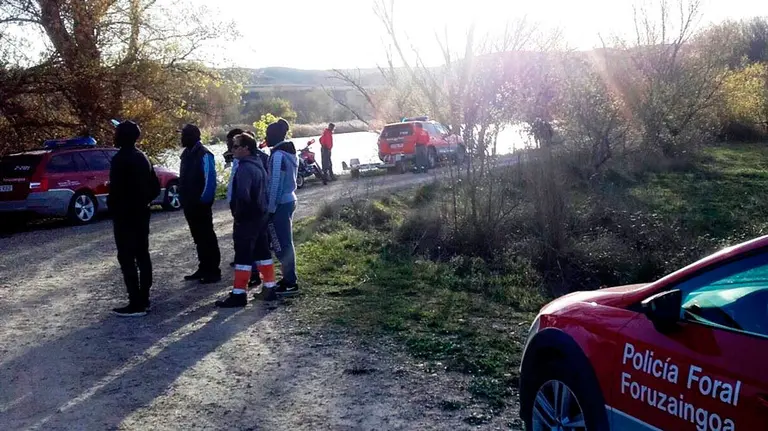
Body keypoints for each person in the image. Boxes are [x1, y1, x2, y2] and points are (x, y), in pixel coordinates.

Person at [216, 133, 277, 307]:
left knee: (242, 255)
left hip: (248, 218)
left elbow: (243, 195)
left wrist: (239, 215)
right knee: (262, 252)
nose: (232, 149)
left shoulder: (244, 168)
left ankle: (239, 293)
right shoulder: (259, 164)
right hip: (260, 216)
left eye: (235, 146)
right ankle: (270, 288)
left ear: (246, 148)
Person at [108, 121, 161, 317]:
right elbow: (155, 187)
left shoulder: (120, 159)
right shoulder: (143, 157)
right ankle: (144, 298)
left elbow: (115, 191)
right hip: (142, 213)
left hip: (125, 216)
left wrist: (114, 206)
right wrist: (143, 200)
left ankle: (135, 302)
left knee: (126, 257)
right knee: (142, 255)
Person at [179, 124, 222, 284]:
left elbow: (210, 180)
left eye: (183, 135)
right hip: (189, 205)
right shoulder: (186, 154)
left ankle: (213, 271)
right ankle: (203, 267)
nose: (181, 138)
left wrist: (203, 202)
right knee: (198, 238)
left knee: (207, 237)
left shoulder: (204, 154)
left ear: (192, 137)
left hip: (201, 205)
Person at [265, 119, 300, 296]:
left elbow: (275, 184)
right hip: (289, 200)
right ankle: (288, 278)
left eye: (267, 134)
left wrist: (270, 209)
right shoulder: (290, 152)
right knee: (286, 242)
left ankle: (290, 282)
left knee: (283, 243)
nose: (265, 137)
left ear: (275, 135)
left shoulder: (278, 155)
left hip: (281, 203)